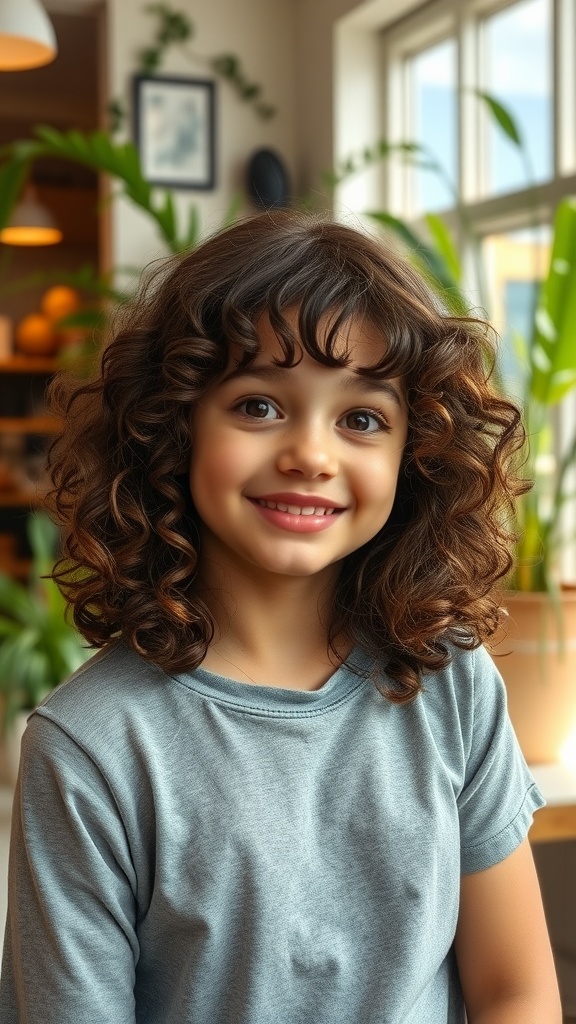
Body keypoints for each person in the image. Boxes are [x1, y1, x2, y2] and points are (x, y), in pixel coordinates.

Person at [0, 211, 561, 1023]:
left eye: (361, 419)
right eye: (259, 405)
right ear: (174, 426)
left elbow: (515, 990)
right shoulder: (90, 746)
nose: (311, 452)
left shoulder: (452, 680)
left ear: (414, 455)